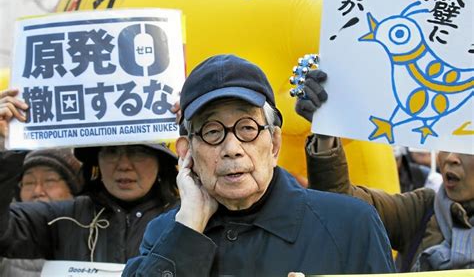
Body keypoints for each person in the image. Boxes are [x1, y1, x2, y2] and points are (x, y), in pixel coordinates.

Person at [123, 54, 395, 276]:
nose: (232, 149)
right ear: (186, 152)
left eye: (247, 128)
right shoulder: (165, 233)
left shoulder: (351, 224)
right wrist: (187, 230)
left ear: (274, 143)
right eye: (212, 132)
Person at [295, 69, 474, 271]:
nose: (451, 158)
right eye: (447, 145)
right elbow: (343, 205)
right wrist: (326, 133)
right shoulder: (423, 209)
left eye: (467, 149)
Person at [0, 88, 180, 264]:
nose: (124, 165)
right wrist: (6, 145)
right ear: (97, 162)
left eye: (138, 152)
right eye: (111, 151)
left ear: (160, 162)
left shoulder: (189, 218)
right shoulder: (62, 219)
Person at [0, 148, 82, 277]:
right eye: (29, 182)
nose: (37, 191)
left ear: (72, 188)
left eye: (49, 181)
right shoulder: (7, 236)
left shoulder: (93, 234)